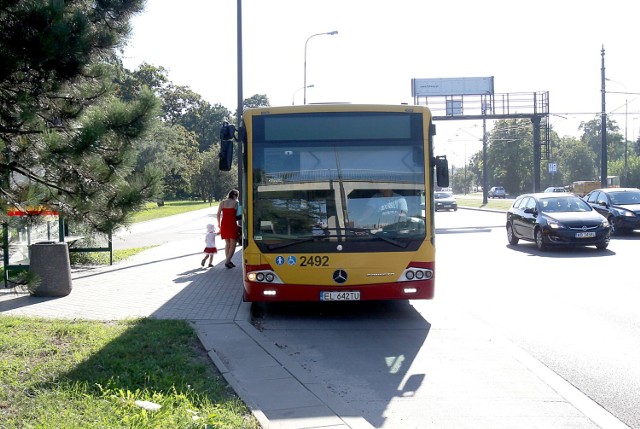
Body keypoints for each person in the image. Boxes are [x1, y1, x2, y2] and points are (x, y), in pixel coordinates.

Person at [217, 189, 239, 268]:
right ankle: (227, 261)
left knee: (227, 243)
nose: (237, 198)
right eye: (237, 196)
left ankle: (228, 261)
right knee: (233, 244)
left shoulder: (222, 202)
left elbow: (218, 214)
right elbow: (238, 215)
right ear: (234, 195)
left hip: (224, 224)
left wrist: (218, 224)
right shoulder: (236, 203)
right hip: (232, 224)